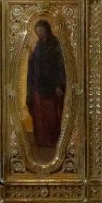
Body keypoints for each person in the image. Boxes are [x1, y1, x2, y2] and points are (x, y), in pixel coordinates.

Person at [26, 19, 66, 149]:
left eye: (41, 31)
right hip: (38, 85)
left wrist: (59, 84)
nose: (39, 34)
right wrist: (31, 59)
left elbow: (60, 66)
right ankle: (41, 141)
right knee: (39, 114)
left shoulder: (55, 44)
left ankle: (52, 140)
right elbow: (36, 64)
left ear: (47, 30)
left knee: (50, 115)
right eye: (37, 32)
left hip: (51, 86)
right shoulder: (38, 45)